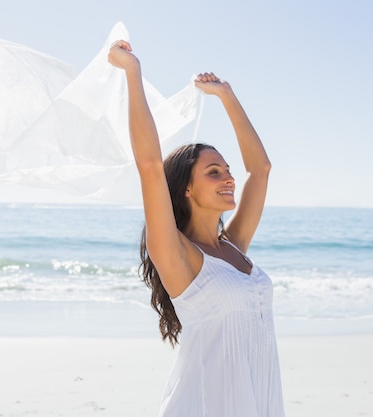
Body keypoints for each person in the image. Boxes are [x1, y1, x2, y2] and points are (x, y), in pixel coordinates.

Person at [108, 40, 285, 417]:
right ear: (187, 189)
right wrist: (132, 72)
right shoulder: (178, 255)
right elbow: (151, 165)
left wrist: (226, 96)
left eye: (227, 170)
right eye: (214, 172)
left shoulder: (234, 247)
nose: (229, 179)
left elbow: (260, 169)